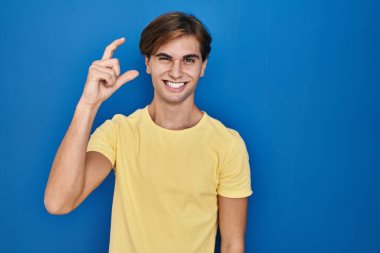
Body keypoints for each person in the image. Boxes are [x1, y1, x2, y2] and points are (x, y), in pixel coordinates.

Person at [44, 11, 253, 253]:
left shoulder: (227, 144)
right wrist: (87, 106)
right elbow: (58, 203)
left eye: (189, 60)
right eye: (165, 58)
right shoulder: (118, 132)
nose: (176, 72)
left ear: (203, 66)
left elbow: (232, 244)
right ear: (148, 63)